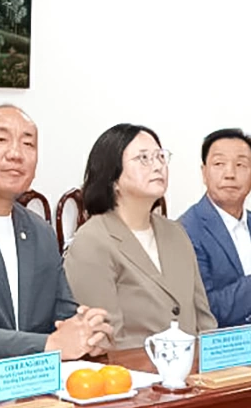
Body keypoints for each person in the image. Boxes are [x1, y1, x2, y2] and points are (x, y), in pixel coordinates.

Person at [0, 105, 113, 367]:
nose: (16, 154)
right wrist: (51, 345)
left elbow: (64, 314)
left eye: (28, 144)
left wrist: (89, 332)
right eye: (0, 139)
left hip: (34, 388)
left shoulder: (40, 231)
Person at [64, 124, 216, 349]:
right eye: (143, 158)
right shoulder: (92, 241)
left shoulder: (176, 232)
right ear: (113, 177)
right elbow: (105, 339)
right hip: (133, 376)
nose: (157, 166)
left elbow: (203, 318)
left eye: (160, 156)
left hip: (193, 374)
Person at [179, 128, 251, 327]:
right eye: (219, 164)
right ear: (204, 173)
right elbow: (203, 312)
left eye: (241, 165)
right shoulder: (187, 229)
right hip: (227, 347)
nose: (230, 174)